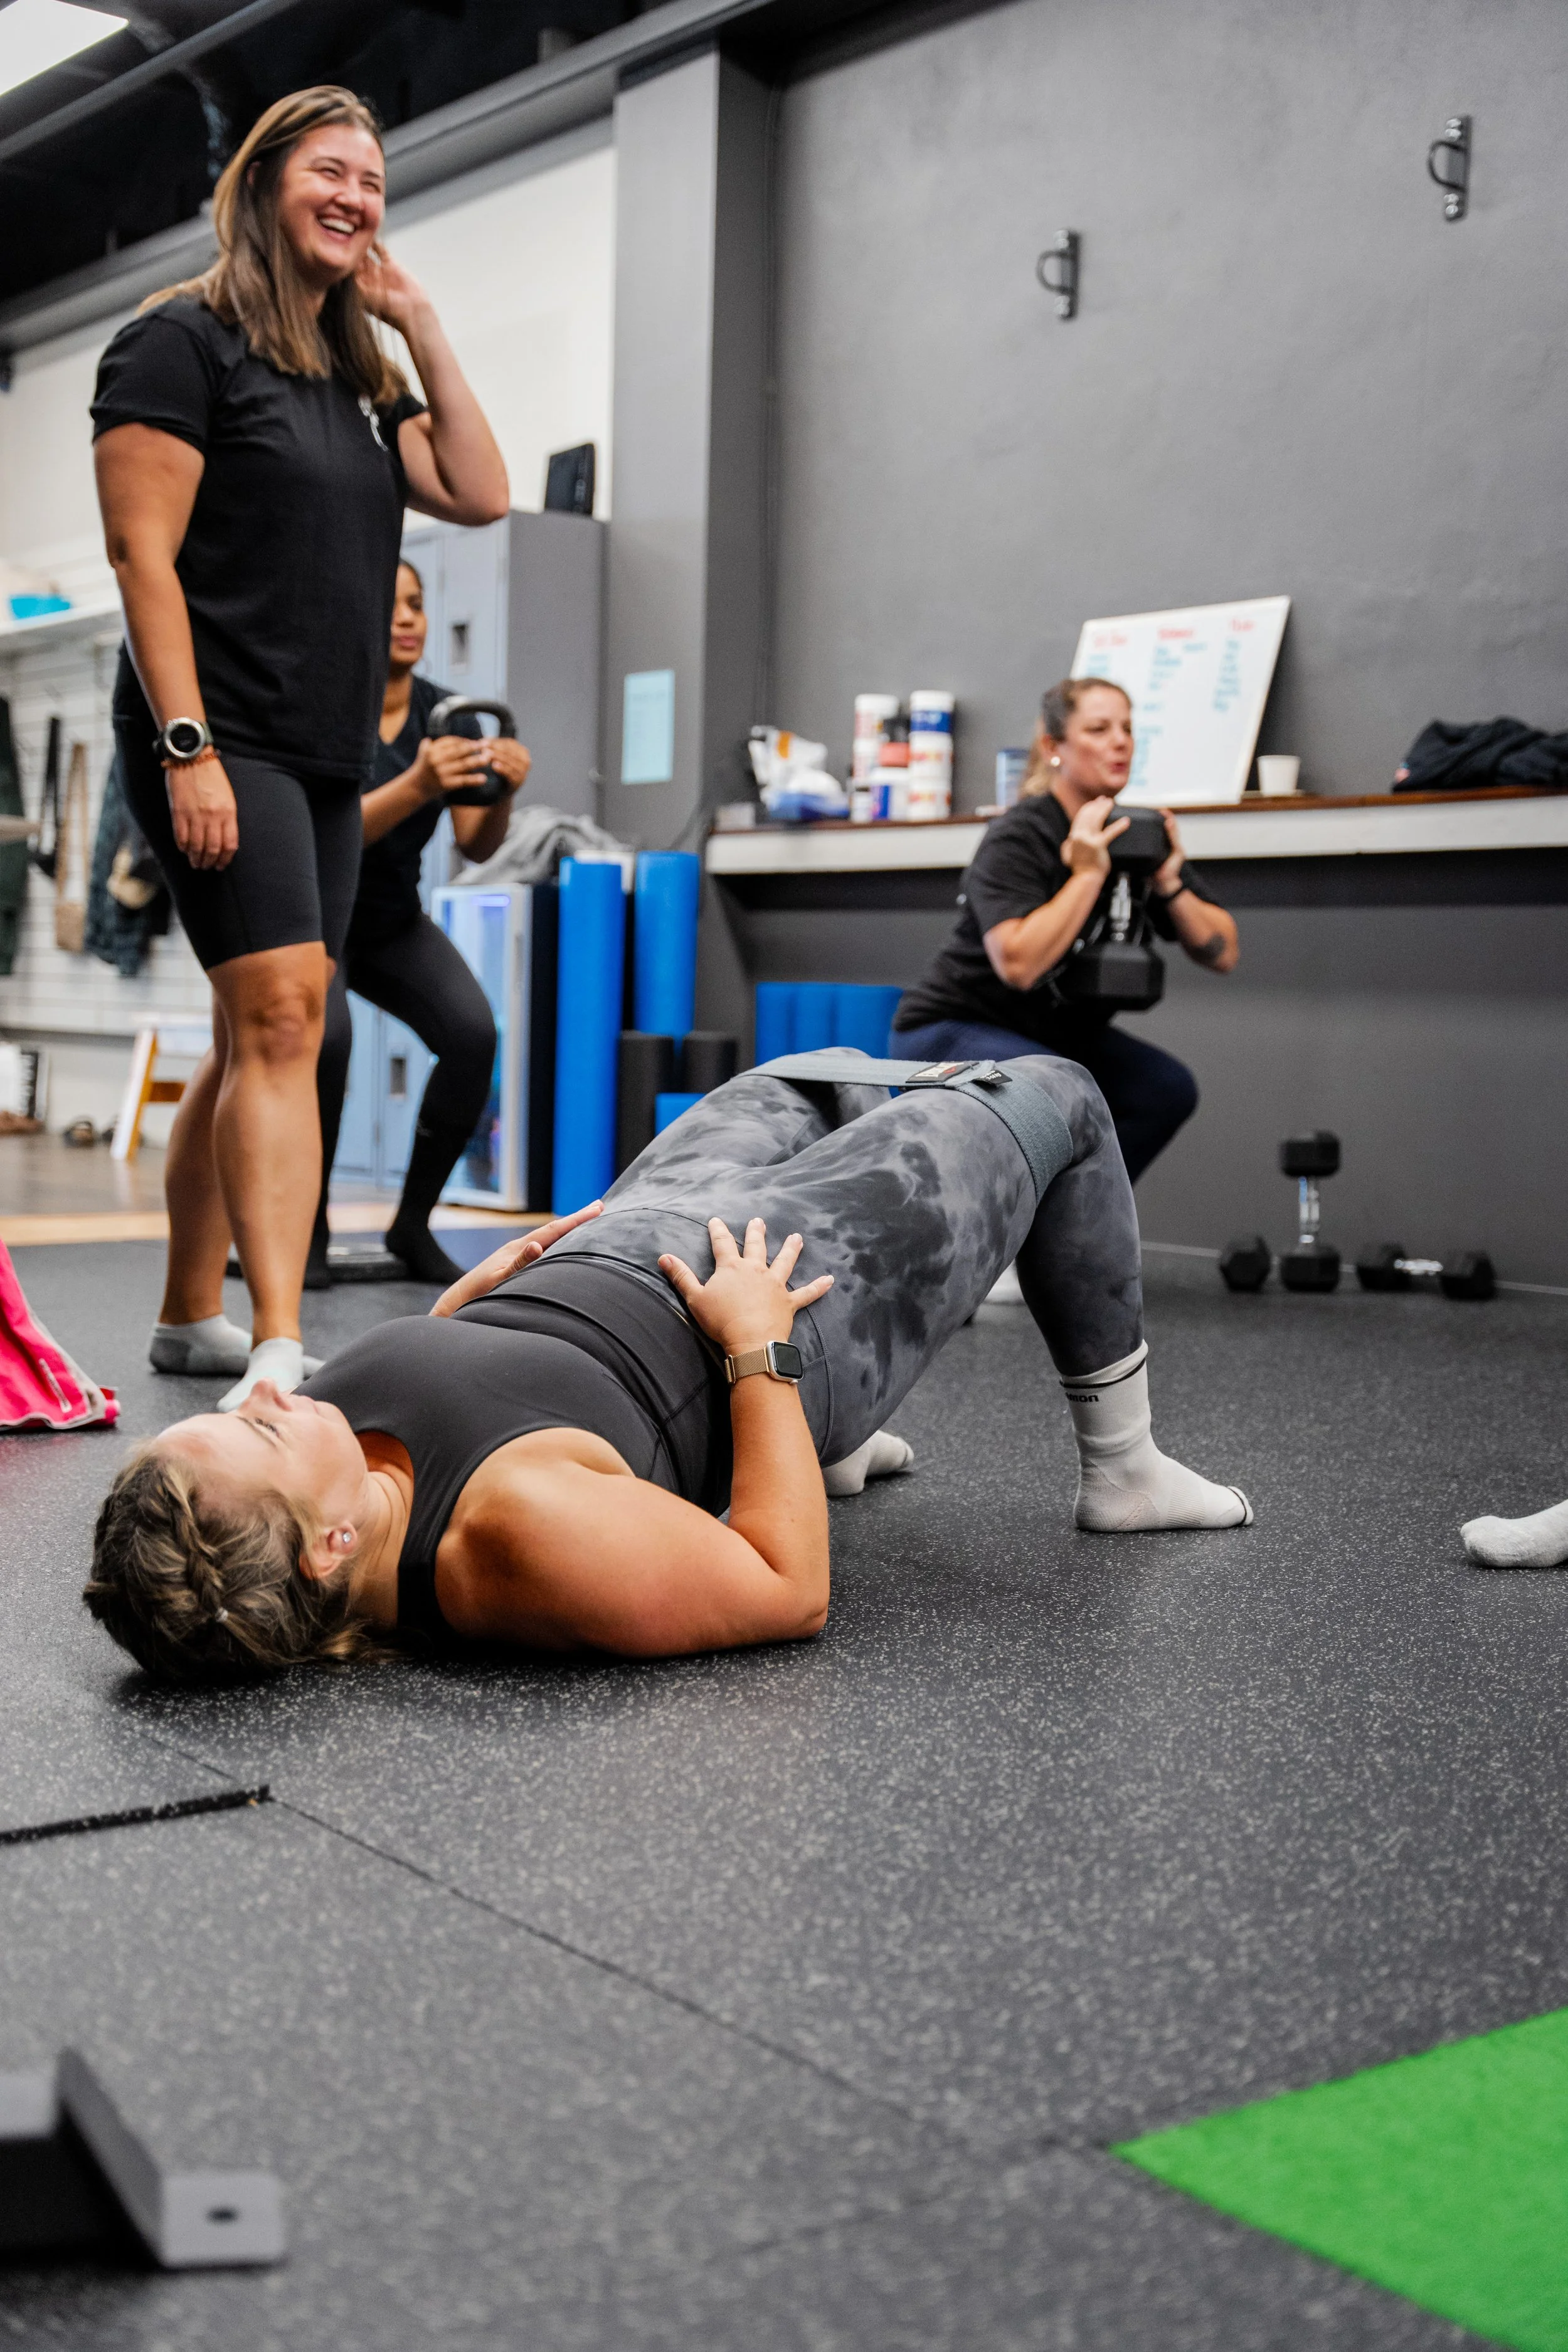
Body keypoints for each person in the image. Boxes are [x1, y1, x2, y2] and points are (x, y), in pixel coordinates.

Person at [84, 1052, 1253, 1684]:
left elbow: (479, 1405)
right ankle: (1125, 1469)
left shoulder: (339, 1485)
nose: (275, 1394)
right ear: (330, 1549)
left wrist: (460, 1315)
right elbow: (787, 1588)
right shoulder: (519, 1537)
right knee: (1056, 1098)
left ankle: (825, 1452)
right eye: (263, 1430)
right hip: (757, 1299)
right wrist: (760, 1353)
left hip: (633, 1248)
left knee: (792, 1081)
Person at [91, 85, 509, 1413]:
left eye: (374, 181)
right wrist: (187, 747)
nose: (356, 196)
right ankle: (278, 1343)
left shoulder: (359, 376)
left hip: (324, 750)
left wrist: (422, 320)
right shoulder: (177, 343)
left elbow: (485, 493)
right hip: (223, 734)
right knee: (286, 1022)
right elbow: (138, 557)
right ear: (266, 181)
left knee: (246, 1030)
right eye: (331, 170)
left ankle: (182, 1315)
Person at [893, 677, 1239, 1184]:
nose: (1120, 741)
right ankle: (1027, 1239)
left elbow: (1223, 951)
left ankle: (1074, 1236)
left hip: (1055, 1041)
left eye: (1127, 728)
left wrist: (1167, 880)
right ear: (1054, 748)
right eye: (1099, 729)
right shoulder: (1021, 834)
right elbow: (1018, 964)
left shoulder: (1137, 834)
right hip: (951, 1031)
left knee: (1164, 1090)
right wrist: (1088, 873)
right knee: (1060, 1089)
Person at [310, 558, 532, 1290]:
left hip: (388, 921)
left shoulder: (450, 715)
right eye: (390, 603)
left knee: (472, 1035)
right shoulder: (326, 706)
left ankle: (412, 1224)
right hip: (315, 915)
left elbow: (476, 843)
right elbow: (328, 838)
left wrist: (503, 790)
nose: (406, 618)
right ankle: (301, 1234)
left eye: (416, 604)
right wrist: (419, 782)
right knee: (325, 1046)